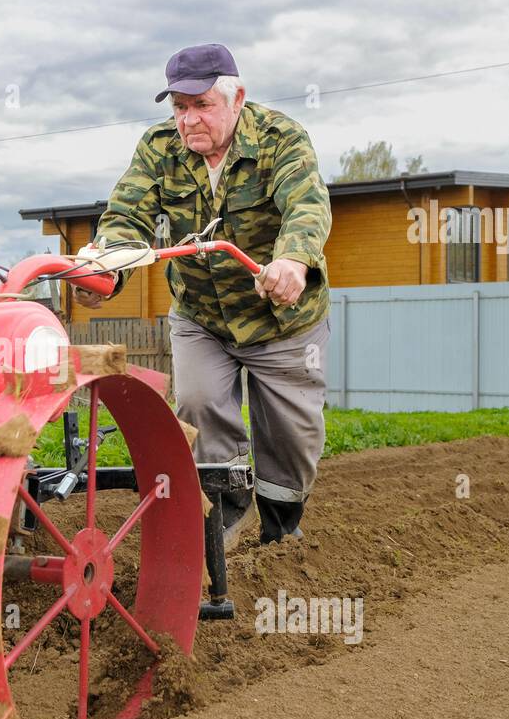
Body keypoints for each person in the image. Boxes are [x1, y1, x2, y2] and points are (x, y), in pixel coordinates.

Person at [74, 43, 331, 547]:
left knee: (291, 441)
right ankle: (223, 528)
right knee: (198, 403)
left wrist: (293, 261)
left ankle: (282, 534)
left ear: (237, 99)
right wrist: (104, 272)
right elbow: (127, 216)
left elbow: (306, 204)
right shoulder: (158, 148)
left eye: (202, 105)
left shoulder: (281, 139)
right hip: (200, 317)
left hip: (280, 317)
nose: (189, 120)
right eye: (179, 107)